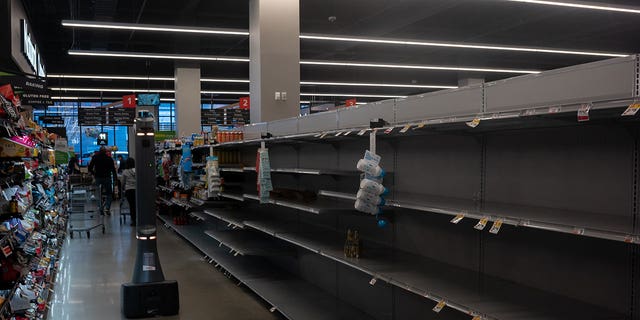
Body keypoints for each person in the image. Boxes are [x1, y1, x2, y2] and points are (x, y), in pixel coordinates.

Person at [88, 146, 117, 215]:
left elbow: (90, 167)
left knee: (98, 193)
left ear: (99, 151)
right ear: (105, 152)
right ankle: (107, 208)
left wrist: (94, 173)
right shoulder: (109, 159)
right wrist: (115, 179)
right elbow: (113, 170)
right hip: (107, 178)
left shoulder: (95, 157)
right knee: (109, 194)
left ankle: (100, 208)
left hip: (98, 177)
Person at [121, 158, 136, 226]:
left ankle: (134, 220)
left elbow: (123, 182)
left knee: (132, 206)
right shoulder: (137, 170)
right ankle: (140, 218)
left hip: (129, 190)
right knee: (137, 205)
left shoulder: (125, 172)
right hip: (137, 190)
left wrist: (122, 188)